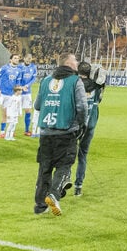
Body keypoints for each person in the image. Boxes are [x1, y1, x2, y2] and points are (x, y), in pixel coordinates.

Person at [33, 53, 87, 216]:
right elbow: (82, 107)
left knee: (45, 167)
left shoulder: (46, 80)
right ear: (69, 63)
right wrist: (80, 125)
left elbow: (37, 105)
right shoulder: (75, 81)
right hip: (66, 131)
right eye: (75, 60)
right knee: (64, 165)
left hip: (46, 132)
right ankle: (54, 194)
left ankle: (40, 205)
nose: (77, 62)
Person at [73, 61, 105, 196]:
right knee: (83, 155)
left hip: (74, 125)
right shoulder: (97, 86)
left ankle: (63, 181)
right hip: (90, 123)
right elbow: (101, 97)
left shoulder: (74, 85)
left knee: (67, 154)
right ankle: (78, 186)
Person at [0, 53, 23, 141]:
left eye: (18, 58)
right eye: (15, 58)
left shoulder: (19, 70)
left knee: (5, 114)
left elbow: (17, 83)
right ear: (11, 59)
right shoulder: (4, 68)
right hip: (1, 93)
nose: (17, 59)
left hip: (10, 95)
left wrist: (19, 90)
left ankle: (2, 132)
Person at [19, 54, 37, 136]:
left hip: (27, 92)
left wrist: (27, 86)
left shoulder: (33, 67)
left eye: (30, 58)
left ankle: (26, 130)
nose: (28, 60)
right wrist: (21, 87)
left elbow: (33, 79)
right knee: (14, 111)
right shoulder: (20, 67)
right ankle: (9, 130)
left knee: (28, 111)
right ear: (24, 58)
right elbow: (17, 78)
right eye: (27, 58)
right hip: (18, 92)